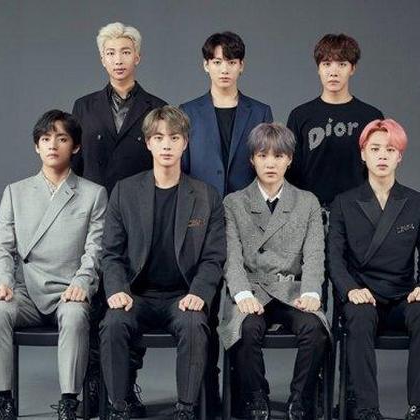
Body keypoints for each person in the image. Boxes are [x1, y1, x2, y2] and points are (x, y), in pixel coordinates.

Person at [99, 106, 226, 420]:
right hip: (136, 296)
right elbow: (111, 253)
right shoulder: (124, 192)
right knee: (112, 323)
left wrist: (198, 293)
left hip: (182, 297)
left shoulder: (206, 196)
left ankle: (185, 409)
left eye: (174, 137)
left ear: (185, 143)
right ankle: (119, 407)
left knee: (195, 324)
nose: (166, 145)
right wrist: (117, 289)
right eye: (158, 138)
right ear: (148, 143)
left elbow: (213, 257)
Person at [0, 110, 107, 420]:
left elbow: (95, 250)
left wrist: (82, 283)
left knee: (76, 316)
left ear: (75, 146)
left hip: (69, 291)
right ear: (36, 146)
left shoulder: (93, 194)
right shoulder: (15, 192)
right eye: (45, 138)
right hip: (27, 292)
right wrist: (3, 280)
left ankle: (68, 402)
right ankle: (3, 400)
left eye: (62, 139)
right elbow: (3, 248)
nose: (53, 145)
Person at [70, 21, 167, 417]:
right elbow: (75, 166)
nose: (118, 59)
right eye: (111, 53)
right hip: (93, 215)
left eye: (125, 52)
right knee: (95, 300)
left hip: (140, 216)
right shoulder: (84, 106)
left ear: (137, 57)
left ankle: (126, 386)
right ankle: (94, 385)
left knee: (131, 297)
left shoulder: (156, 107)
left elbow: (165, 165)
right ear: (102, 59)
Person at [180, 30, 273, 412]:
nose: (224, 69)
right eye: (217, 62)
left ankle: (240, 396)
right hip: (200, 223)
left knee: (240, 307)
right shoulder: (188, 111)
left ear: (241, 66)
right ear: (206, 65)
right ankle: (206, 396)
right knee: (202, 309)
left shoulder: (260, 111)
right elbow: (183, 173)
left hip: (245, 222)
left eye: (231, 62)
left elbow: (266, 169)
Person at [328, 119, 420, 420]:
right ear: (363, 154)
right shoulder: (343, 203)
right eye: (375, 148)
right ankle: (367, 411)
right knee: (358, 317)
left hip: (402, 296)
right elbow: (334, 258)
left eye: (390, 149)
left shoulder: (417, 202)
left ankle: (418, 409)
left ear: (399, 156)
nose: (382, 155)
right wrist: (351, 289)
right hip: (362, 295)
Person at [219, 123, 330, 420]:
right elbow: (231, 256)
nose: (271, 163)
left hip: (293, 290)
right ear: (252, 159)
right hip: (252, 290)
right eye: (263, 155)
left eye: (278, 156)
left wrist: (311, 291)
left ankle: (300, 400)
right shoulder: (234, 202)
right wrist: (242, 294)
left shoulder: (307, 201)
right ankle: (256, 398)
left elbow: (314, 254)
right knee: (246, 329)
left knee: (315, 330)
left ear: (289, 159)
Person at [286, 33, 383, 209]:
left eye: (342, 64)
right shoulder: (300, 116)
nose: (333, 72)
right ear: (318, 68)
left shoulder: (370, 117)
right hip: (311, 213)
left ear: (353, 68)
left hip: (359, 212)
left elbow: (379, 170)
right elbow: (290, 172)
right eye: (326, 64)